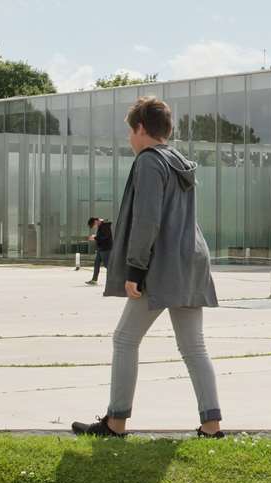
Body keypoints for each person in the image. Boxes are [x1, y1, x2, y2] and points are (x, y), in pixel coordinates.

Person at [72, 96, 224, 439]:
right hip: (191, 259)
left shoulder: (149, 162)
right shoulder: (179, 161)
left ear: (141, 128)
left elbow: (147, 220)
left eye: (130, 131)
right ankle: (212, 426)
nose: (129, 139)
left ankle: (116, 422)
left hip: (160, 265)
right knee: (193, 346)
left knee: (125, 339)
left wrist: (135, 270)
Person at [86, 216, 113, 285]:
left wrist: (95, 237)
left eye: (94, 226)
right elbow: (102, 236)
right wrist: (95, 237)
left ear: (95, 221)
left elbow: (105, 237)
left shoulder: (105, 226)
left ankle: (113, 280)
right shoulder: (101, 226)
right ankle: (94, 280)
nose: (95, 227)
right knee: (96, 264)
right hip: (100, 249)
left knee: (107, 265)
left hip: (105, 249)